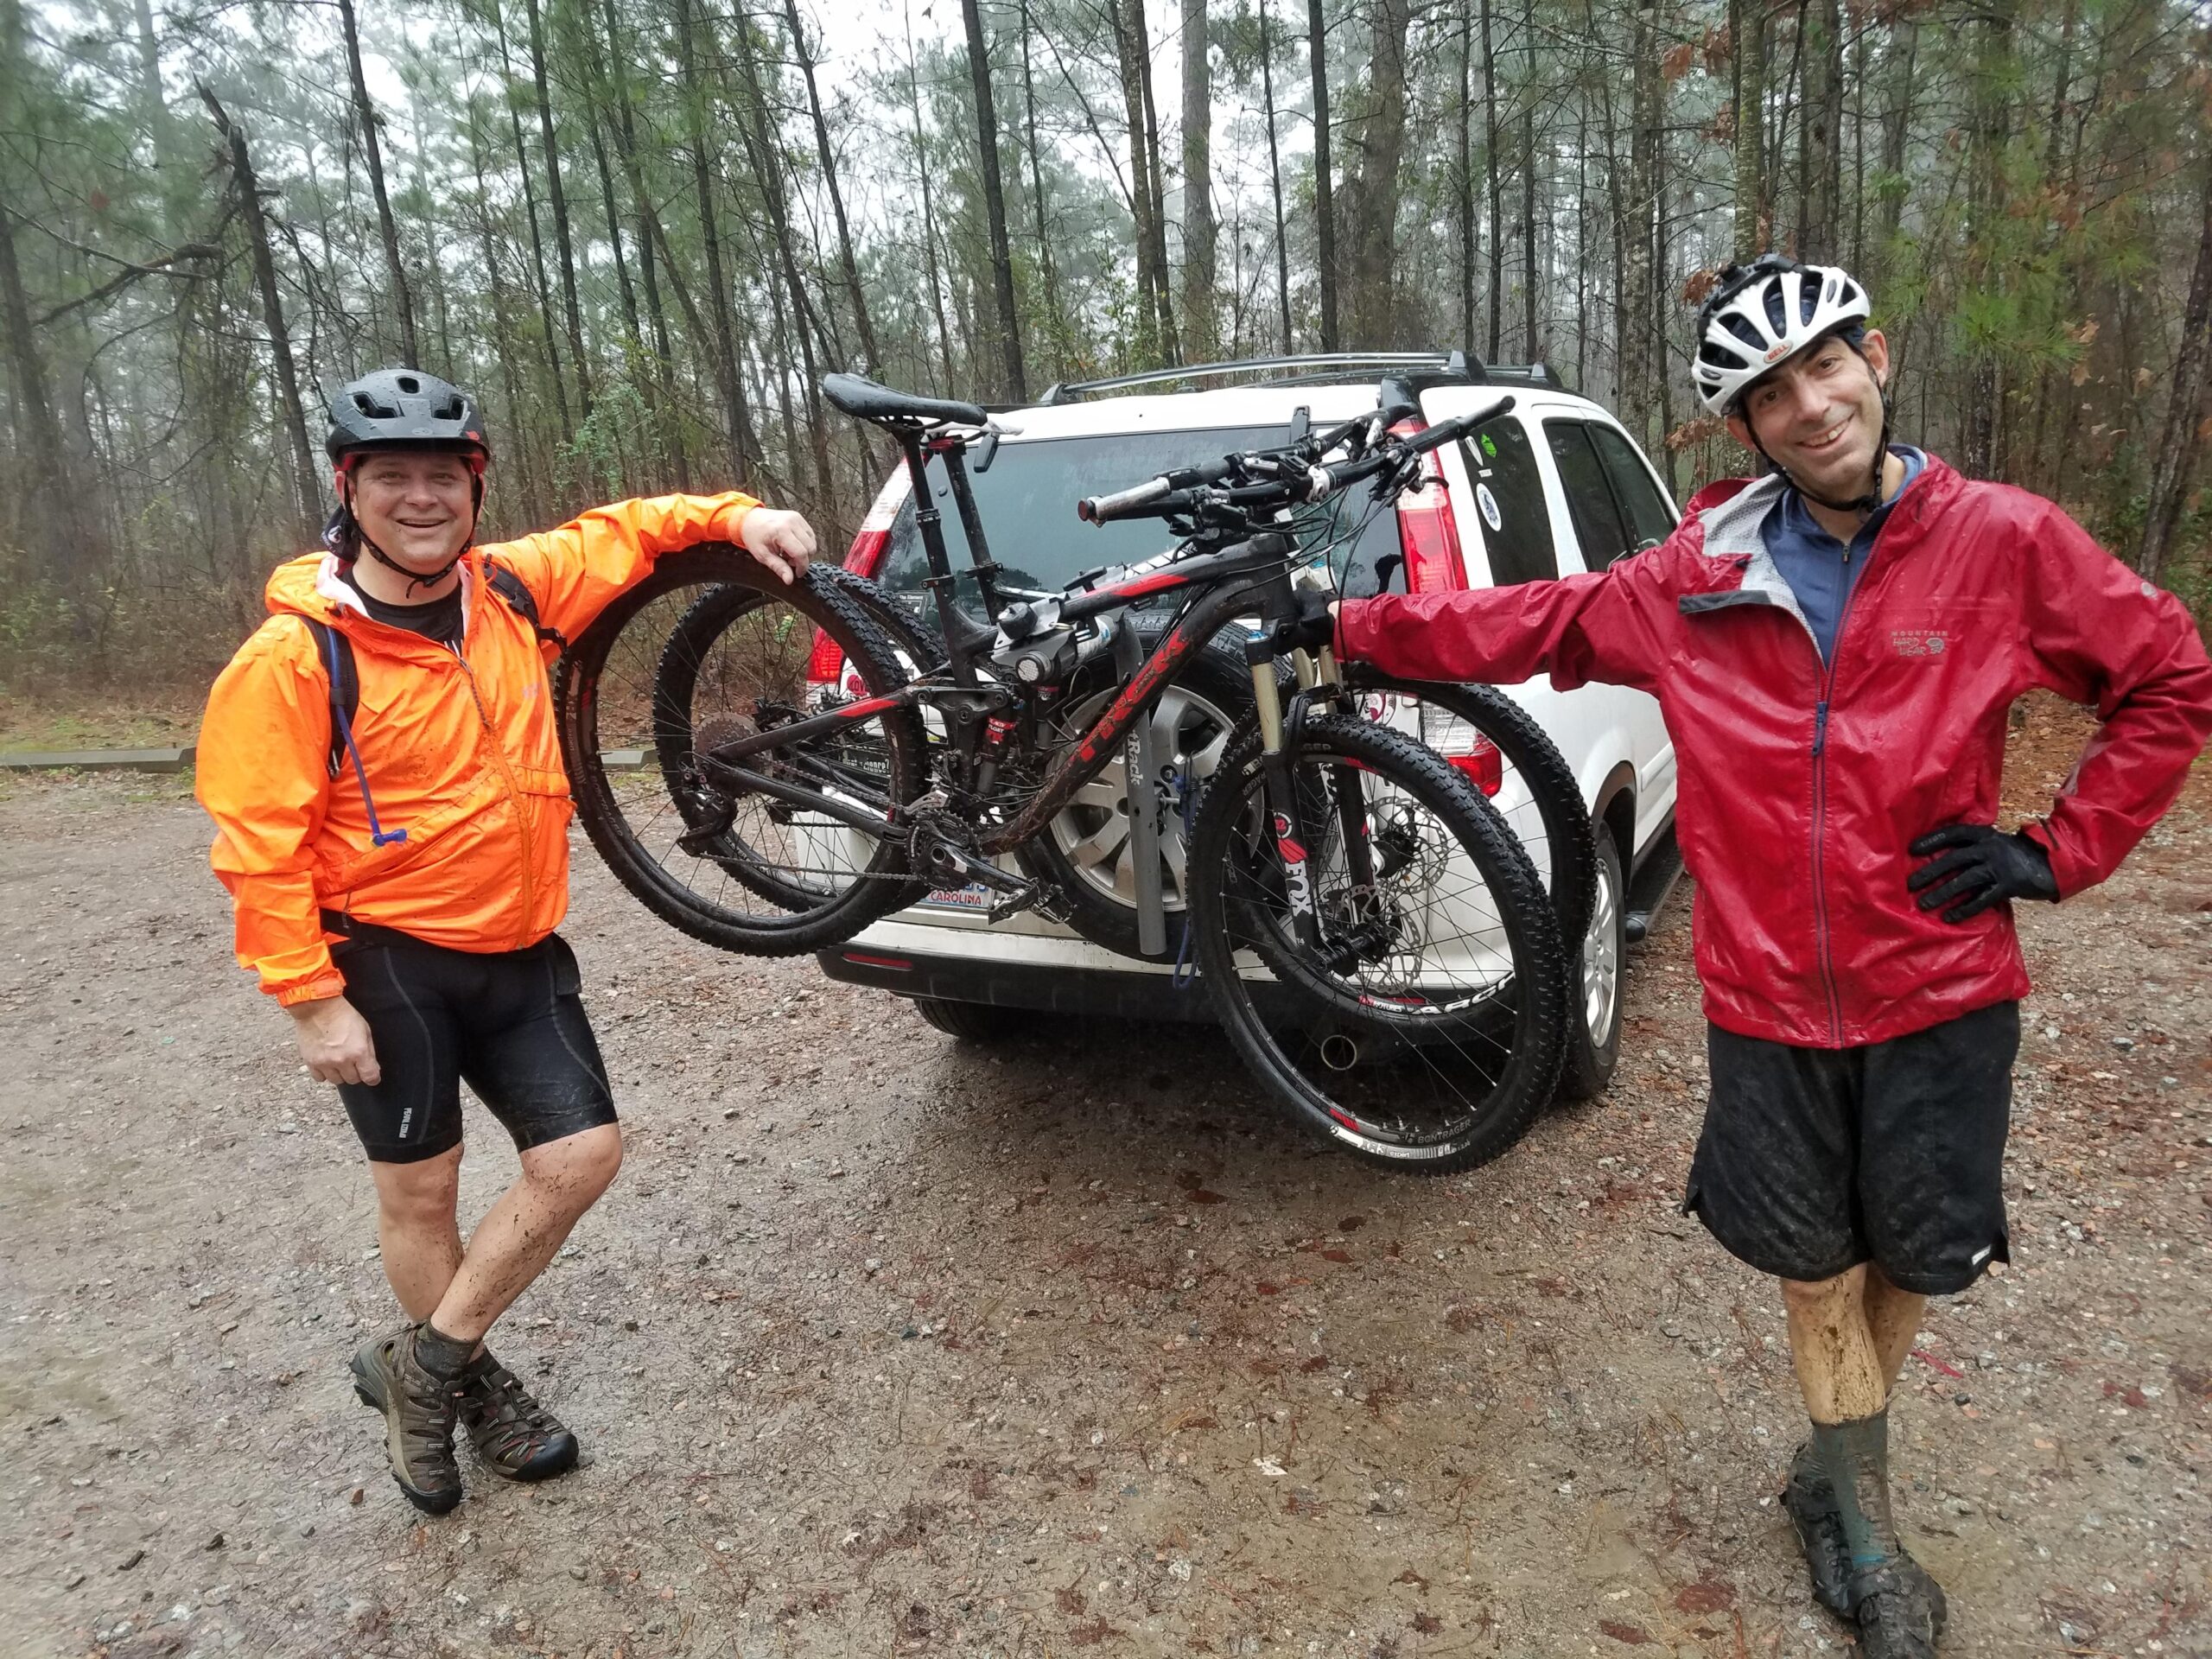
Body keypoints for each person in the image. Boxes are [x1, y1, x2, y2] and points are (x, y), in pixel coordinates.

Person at [1319, 257, 2212, 1655]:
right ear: (1746, 429)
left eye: (1826, 367)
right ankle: (1861, 1530)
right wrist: (1341, 629)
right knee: (1812, 1263)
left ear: (1877, 358)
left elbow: (2167, 677)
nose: (1810, 407)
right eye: (1769, 394)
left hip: (1943, 984)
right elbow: (1527, 623)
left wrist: (2056, 850)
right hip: (1770, 997)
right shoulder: (1699, 577)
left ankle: (1830, 1464)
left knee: (1913, 1253)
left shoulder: (2003, 541)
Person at [197, 368, 816, 1514]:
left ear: (474, 488)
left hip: (520, 945)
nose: (421, 498)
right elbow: (255, 846)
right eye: (394, 477)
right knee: (424, 1192)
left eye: (445, 476)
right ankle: (472, 1393)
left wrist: (739, 517)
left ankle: (420, 1367)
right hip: (383, 957)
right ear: (350, 489)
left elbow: (626, 533)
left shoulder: (515, 593)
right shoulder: (293, 661)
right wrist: (309, 999)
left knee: (581, 1159)